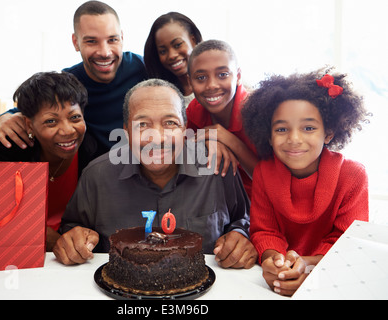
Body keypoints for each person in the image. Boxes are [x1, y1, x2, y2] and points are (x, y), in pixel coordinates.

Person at [52, 79, 257, 269]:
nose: (158, 138)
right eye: (142, 125)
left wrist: (240, 236)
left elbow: (243, 220)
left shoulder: (217, 166)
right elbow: (73, 226)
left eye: (170, 123)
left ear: (185, 129)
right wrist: (74, 238)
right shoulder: (96, 176)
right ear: (126, 132)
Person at [0, 72, 97, 257]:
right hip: (16, 261)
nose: (68, 130)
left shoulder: (93, 153)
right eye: (51, 121)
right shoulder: (10, 149)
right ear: (29, 125)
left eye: (75, 117)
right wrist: (44, 237)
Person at [241, 68, 370, 296]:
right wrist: (275, 262)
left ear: (328, 132)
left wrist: (308, 266)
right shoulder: (264, 172)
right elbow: (265, 231)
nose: (294, 139)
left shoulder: (353, 176)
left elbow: (346, 242)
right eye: (281, 129)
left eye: (308, 128)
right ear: (269, 136)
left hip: (336, 283)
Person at [0, 1, 147, 157]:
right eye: (91, 41)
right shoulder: (69, 83)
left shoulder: (146, 68)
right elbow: (28, 113)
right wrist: (2, 119)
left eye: (112, 40)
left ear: (122, 37)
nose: (105, 52)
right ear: (76, 42)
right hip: (90, 175)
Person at [186, 40, 258, 197]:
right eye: (201, 77)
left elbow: (270, 181)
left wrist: (227, 138)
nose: (212, 85)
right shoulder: (194, 109)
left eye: (223, 75)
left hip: (260, 204)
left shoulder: (258, 113)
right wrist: (209, 141)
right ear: (190, 81)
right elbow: (186, 150)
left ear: (238, 76)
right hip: (219, 201)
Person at [144, 12, 202, 107]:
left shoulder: (216, 83)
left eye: (178, 45)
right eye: (163, 51)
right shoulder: (159, 94)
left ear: (193, 40)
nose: (171, 55)